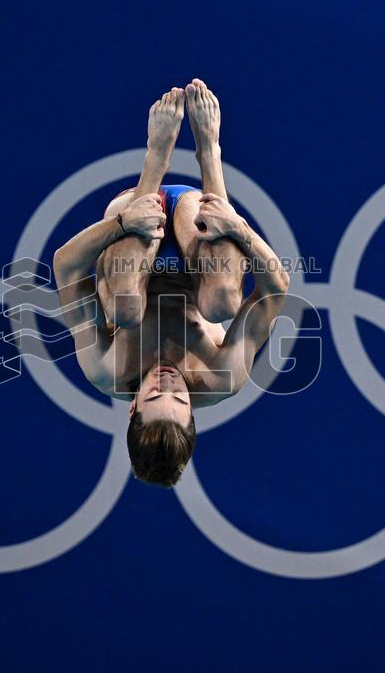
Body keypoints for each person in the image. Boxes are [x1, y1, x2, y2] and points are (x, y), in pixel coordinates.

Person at [52, 79, 289, 487]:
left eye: (153, 396)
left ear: (131, 407)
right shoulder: (222, 377)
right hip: (201, 237)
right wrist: (241, 230)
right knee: (221, 305)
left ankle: (156, 155)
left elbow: (66, 268)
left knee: (125, 307)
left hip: (132, 222)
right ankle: (209, 151)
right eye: (178, 399)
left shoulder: (107, 369)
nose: (166, 383)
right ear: (193, 410)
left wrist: (123, 223)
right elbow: (275, 291)